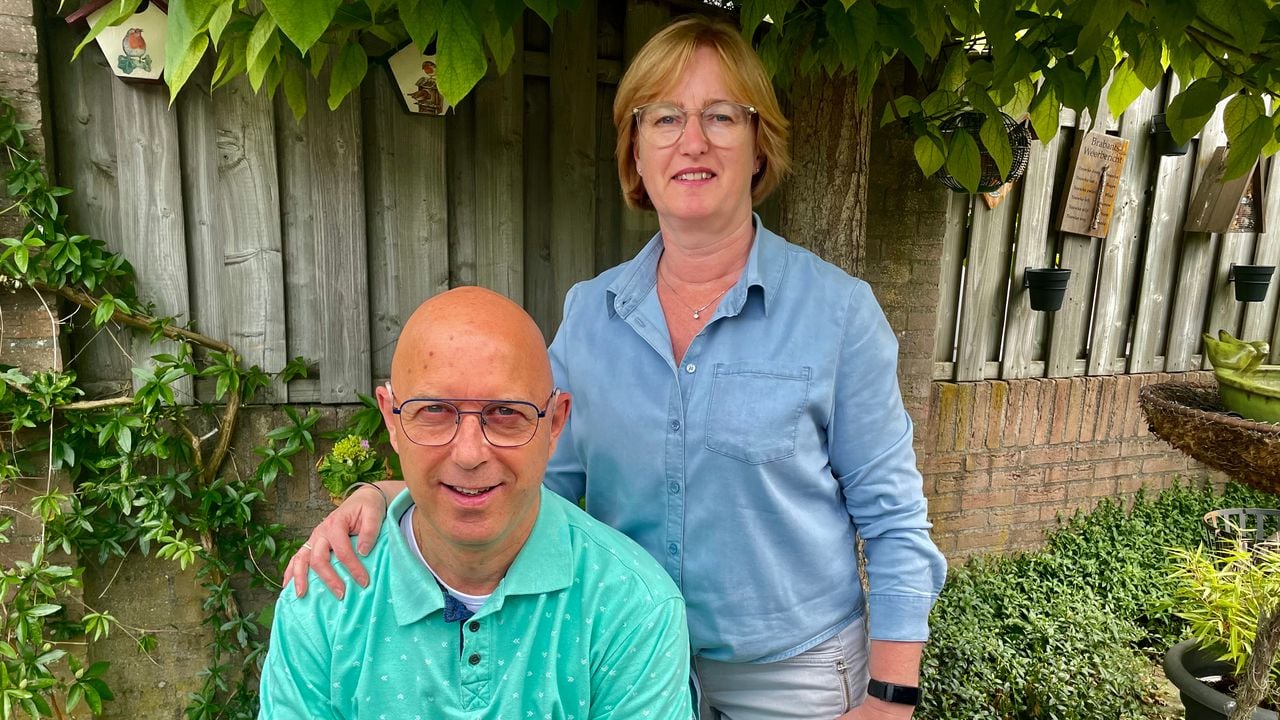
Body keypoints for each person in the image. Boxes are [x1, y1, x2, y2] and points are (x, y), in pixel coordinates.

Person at [286, 16, 946, 720]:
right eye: (663, 117)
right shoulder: (591, 314)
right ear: (636, 150)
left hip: (794, 680)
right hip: (618, 658)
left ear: (759, 144)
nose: (692, 140)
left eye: (721, 115)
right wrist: (386, 494)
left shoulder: (837, 314)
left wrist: (891, 697)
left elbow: (895, 518)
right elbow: (532, 471)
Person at [260, 287, 693, 719]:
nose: (469, 454)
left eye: (506, 413)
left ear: (555, 424)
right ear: (392, 419)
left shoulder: (632, 609)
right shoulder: (323, 599)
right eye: (434, 411)